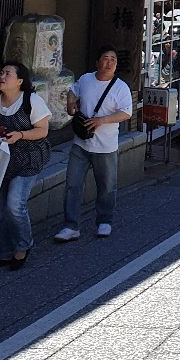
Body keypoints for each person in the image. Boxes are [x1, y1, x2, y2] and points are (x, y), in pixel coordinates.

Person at [55, 45, 132, 241]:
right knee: (73, 184)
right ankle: (71, 225)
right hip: (80, 143)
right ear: (97, 62)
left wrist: (102, 121)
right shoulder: (86, 79)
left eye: (113, 59)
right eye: (105, 58)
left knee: (106, 186)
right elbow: (73, 90)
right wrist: (71, 104)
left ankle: (104, 220)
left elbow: (126, 112)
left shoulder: (120, 87)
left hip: (106, 146)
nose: (109, 63)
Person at [0, 62, 51, 269]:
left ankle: (23, 247)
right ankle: (7, 252)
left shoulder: (31, 100)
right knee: (0, 211)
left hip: (28, 159)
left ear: (19, 81)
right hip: (1, 162)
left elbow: (43, 130)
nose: (2, 76)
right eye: (1, 73)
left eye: (8, 73)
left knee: (14, 205)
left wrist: (21, 135)